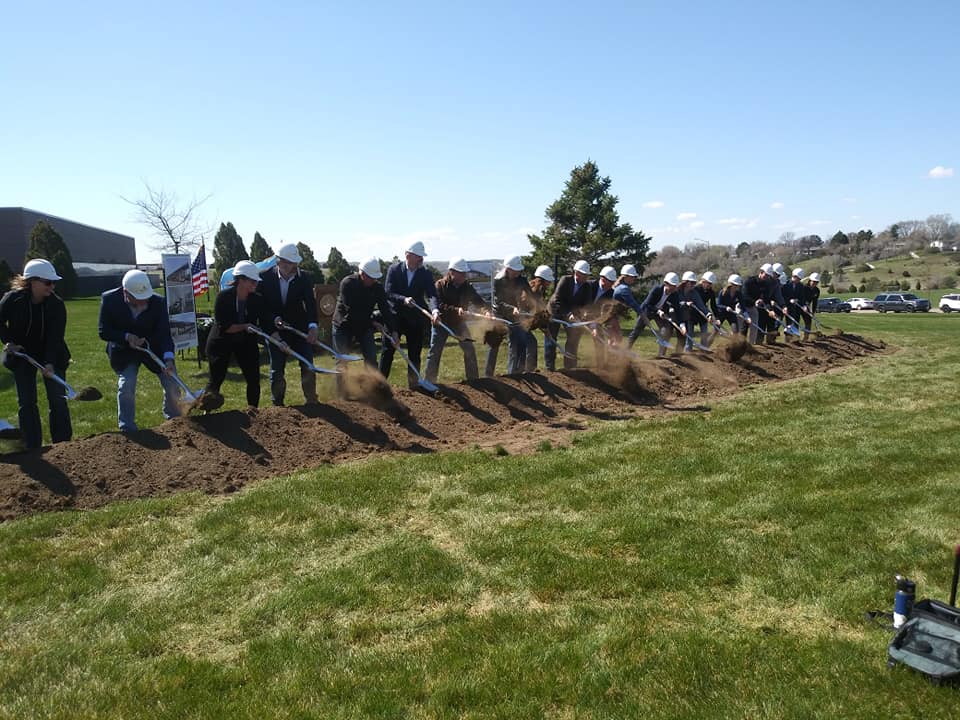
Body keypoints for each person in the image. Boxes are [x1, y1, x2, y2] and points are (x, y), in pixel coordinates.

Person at [99, 269, 182, 432]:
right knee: (127, 385)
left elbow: (164, 333)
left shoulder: (158, 303)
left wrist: (169, 358)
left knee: (171, 381)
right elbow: (104, 331)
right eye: (139, 299)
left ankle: (175, 421)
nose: (144, 302)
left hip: (153, 348)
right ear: (126, 293)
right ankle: (127, 427)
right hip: (125, 351)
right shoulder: (109, 300)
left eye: (146, 298)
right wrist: (126, 337)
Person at [0, 259, 72, 448]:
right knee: (27, 402)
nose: (52, 286)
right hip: (23, 355)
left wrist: (49, 363)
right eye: (48, 282)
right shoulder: (12, 300)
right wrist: (9, 341)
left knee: (58, 399)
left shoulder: (56, 304)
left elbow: (55, 337)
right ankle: (32, 447)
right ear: (32, 282)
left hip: (53, 354)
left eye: (53, 282)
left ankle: (63, 446)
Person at [259, 243, 319, 405]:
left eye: (291, 262)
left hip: (298, 328)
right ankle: (278, 404)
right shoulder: (264, 278)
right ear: (277, 261)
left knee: (307, 364)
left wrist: (312, 327)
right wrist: (274, 319)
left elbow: (310, 304)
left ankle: (312, 400)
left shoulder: (304, 278)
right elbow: (261, 307)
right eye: (284, 261)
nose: (288, 265)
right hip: (275, 330)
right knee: (277, 369)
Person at [204, 261, 269, 408]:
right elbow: (224, 326)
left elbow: (265, 319)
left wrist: (274, 331)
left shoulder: (256, 299)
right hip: (221, 341)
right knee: (216, 378)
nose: (255, 284)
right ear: (241, 280)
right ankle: (206, 410)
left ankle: (253, 411)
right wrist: (245, 326)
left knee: (253, 379)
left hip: (246, 342)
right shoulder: (223, 297)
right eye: (252, 281)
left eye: (256, 281)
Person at [380, 241, 439, 389]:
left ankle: (414, 386)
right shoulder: (394, 270)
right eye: (419, 256)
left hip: (415, 319)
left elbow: (431, 294)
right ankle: (380, 386)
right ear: (408, 256)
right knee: (388, 352)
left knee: (414, 353)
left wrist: (435, 310)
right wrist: (403, 299)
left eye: (421, 257)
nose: (421, 259)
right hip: (395, 317)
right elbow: (388, 293)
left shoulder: (425, 273)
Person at [332, 257, 397, 388]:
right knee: (342, 360)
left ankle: (372, 390)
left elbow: (385, 310)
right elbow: (352, 311)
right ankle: (342, 396)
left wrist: (394, 331)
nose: (374, 280)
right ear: (362, 274)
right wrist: (373, 322)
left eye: (375, 278)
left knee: (371, 358)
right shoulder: (348, 283)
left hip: (364, 326)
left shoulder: (377, 288)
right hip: (343, 325)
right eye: (371, 277)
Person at [424, 258, 491, 383]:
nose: (464, 276)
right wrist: (456, 309)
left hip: (458, 323)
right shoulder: (440, 285)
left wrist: (485, 310)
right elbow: (439, 304)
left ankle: (474, 380)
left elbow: (478, 301)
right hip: (441, 323)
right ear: (451, 272)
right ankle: (429, 382)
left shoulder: (467, 286)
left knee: (469, 349)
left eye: (465, 273)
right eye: (461, 273)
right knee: (435, 351)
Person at [485, 255, 535, 375]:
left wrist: (535, 307)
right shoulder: (498, 280)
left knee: (520, 340)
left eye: (519, 270)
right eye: (515, 270)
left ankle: (516, 372)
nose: (518, 272)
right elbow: (499, 302)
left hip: (515, 313)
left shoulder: (521, 279)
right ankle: (488, 375)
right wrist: (512, 308)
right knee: (494, 343)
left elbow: (531, 295)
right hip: (500, 313)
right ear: (508, 269)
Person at [546, 260, 592, 370]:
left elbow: (587, 303)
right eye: (583, 275)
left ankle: (570, 367)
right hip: (555, 311)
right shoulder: (565, 280)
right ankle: (550, 368)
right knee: (551, 338)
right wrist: (568, 314)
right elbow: (557, 300)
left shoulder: (587, 286)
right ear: (576, 273)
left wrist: (585, 312)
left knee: (574, 337)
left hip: (571, 313)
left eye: (586, 275)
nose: (585, 277)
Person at [639, 272, 683, 358]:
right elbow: (648, 304)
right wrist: (658, 311)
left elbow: (678, 310)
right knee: (637, 331)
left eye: (675, 286)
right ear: (666, 284)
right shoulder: (657, 289)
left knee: (666, 330)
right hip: (647, 311)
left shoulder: (674, 294)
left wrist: (682, 325)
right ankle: (626, 350)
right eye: (672, 285)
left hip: (660, 314)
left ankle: (661, 354)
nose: (674, 288)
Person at [524, 265, 555, 371]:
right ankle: (528, 371)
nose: (550, 283)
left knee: (531, 344)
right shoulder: (531, 291)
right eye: (549, 281)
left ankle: (530, 369)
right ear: (542, 280)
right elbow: (533, 309)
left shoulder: (540, 290)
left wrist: (544, 322)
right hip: (520, 323)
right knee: (531, 343)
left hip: (527, 323)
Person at [614, 264, 647, 348]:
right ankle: (613, 357)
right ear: (625, 277)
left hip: (613, 316)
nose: (634, 278)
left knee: (614, 338)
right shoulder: (624, 289)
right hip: (611, 316)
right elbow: (633, 303)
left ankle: (611, 356)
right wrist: (643, 315)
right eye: (632, 276)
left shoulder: (620, 286)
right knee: (617, 338)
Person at [677, 271, 710, 351]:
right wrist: (685, 303)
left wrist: (708, 314)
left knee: (689, 336)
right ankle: (678, 355)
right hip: (676, 314)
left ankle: (688, 354)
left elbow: (701, 305)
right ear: (685, 282)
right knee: (680, 337)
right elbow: (675, 303)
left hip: (686, 316)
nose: (693, 285)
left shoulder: (694, 293)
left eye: (694, 283)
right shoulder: (677, 291)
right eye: (691, 282)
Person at [693, 271, 720, 346]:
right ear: (703, 281)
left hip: (704, 313)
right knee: (689, 335)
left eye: (711, 284)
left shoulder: (711, 292)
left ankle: (703, 350)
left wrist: (717, 318)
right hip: (693, 312)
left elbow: (713, 306)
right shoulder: (695, 289)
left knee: (704, 334)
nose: (710, 285)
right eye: (709, 283)